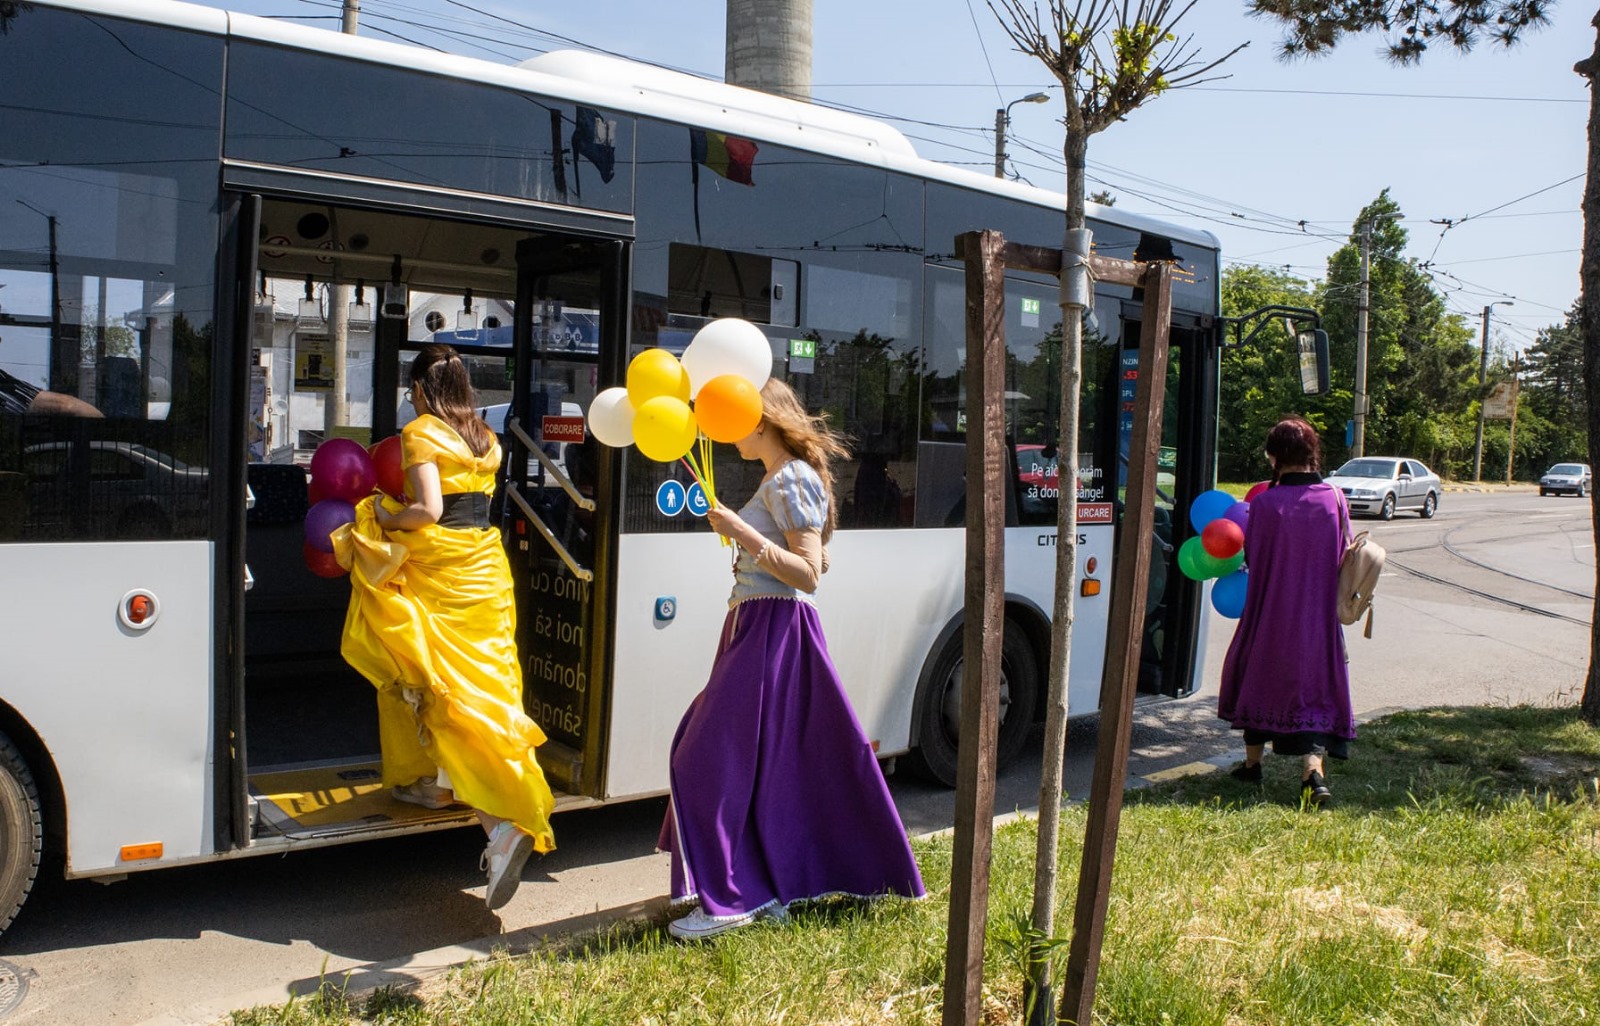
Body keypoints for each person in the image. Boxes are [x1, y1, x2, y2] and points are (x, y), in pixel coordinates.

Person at [658, 378, 926, 941]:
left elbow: (809, 574)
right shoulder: (783, 478)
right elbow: (817, 559)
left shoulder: (791, 478)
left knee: (702, 756)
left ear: (761, 421)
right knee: (761, 766)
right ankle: (763, 890)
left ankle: (729, 901)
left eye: (735, 424)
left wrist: (740, 532)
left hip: (772, 627)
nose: (727, 435)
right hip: (758, 625)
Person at [334, 343, 555, 910]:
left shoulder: (422, 433)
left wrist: (385, 515)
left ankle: (499, 826)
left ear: (419, 390)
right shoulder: (485, 437)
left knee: (442, 689)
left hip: (441, 571)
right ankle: (452, 786)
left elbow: (428, 511)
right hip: (485, 567)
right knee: (488, 690)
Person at [1217, 416, 1354, 807]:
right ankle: (1313, 774)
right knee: (1315, 687)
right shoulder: (1335, 499)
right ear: (1312, 453)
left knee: (1257, 676)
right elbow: (1342, 553)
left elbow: (1253, 556)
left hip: (1270, 609)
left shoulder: (1264, 505)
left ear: (1275, 456)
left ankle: (1251, 765)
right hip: (1317, 614)